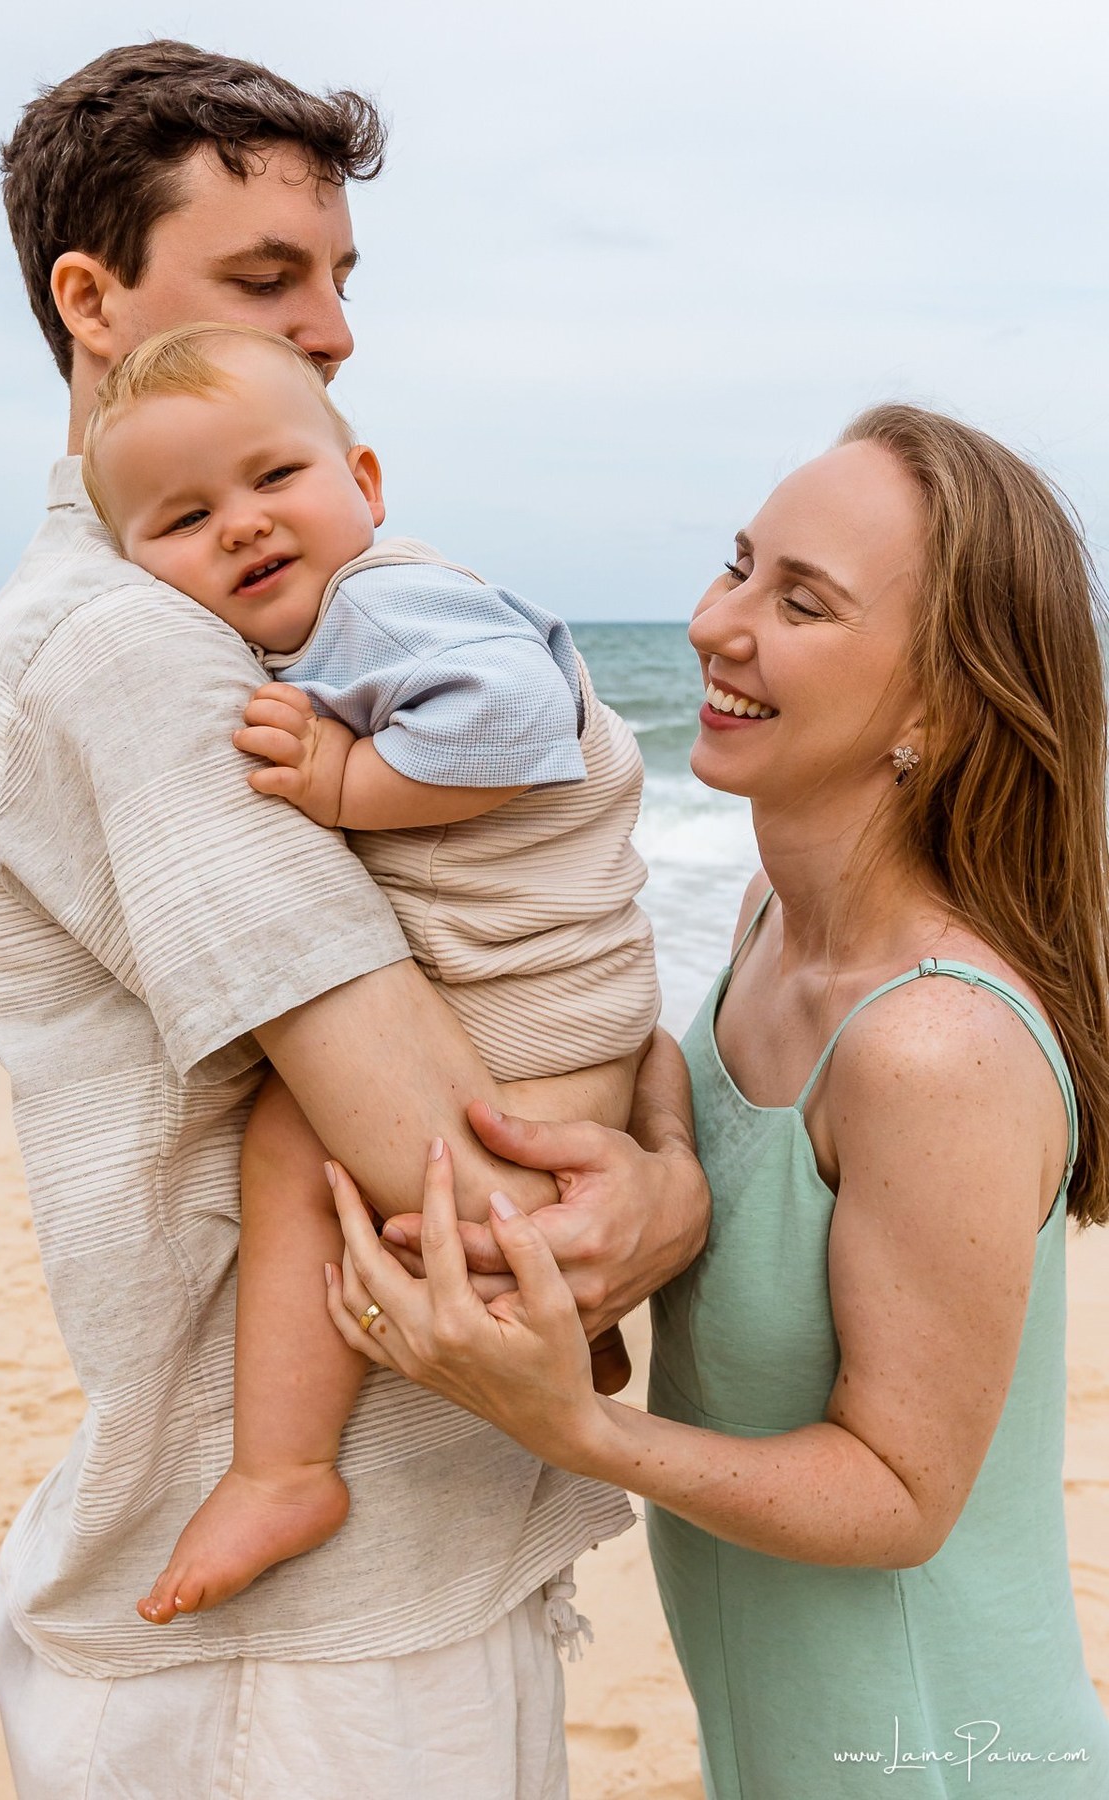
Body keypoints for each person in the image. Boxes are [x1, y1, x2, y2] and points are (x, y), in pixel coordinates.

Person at [0, 41, 708, 1799]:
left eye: (341, 276)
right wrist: (666, 1197)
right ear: (91, 301)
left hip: (385, 1575)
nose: (333, 325)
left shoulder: (250, 614)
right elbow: (452, 1162)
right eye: (270, 276)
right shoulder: (129, 651)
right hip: (304, 1665)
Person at [324, 405, 1109, 1797]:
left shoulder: (934, 1045)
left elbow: (902, 1497)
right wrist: (667, 1170)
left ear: (936, 709)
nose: (711, 624)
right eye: (740, 565)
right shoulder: (769, 919)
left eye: (800, 602)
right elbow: (697, 1105)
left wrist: (578, 1429)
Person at [78, 318, 659, 1621]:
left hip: (533, 997)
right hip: (560, 1002)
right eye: (185, 519)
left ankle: (284, 1469)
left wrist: (347, 780)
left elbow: (516, 715)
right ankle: (583, 1336)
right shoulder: (324, 622)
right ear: (134, 570)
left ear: (367, 484)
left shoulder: (379, 600)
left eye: (275, 475)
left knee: (294, 1142)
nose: (241, 523)